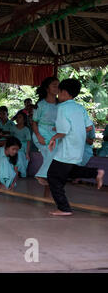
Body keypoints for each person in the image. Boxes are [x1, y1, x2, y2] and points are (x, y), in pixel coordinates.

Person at [47, 79, 105, 216]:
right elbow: (89, 126)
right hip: (78, 147)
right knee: (69, 171)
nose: (57, 95)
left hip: (67, 148)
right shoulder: (79, 107)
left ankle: (64, 208)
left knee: (53, 176)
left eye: (59, 92)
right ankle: (96, 173)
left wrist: (54, 137)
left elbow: (64, 131)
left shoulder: (62, 108)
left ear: (64, 92)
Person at [31, 77, 59, 194]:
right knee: (53, 153)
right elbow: (34, 122)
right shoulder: (40, 105)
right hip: (41, 133)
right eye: (54, 85)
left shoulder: (61, 104)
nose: (57, 88)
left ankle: (45, 180)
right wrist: (39, 136)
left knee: (54, 156)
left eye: (58, 85)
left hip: (55, 134)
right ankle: (42, 176)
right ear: (47, 88)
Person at [9, 112, 31, 178]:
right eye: (17, 117)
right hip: (13, 146)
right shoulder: (13, 128)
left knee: (20, 156)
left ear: (24, 120)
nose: (17, 119)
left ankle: (21, 173)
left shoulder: (26, 129)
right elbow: (10, 138)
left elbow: (28, 142)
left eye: (20, 117)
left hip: (22, 147)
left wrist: (27, 153)